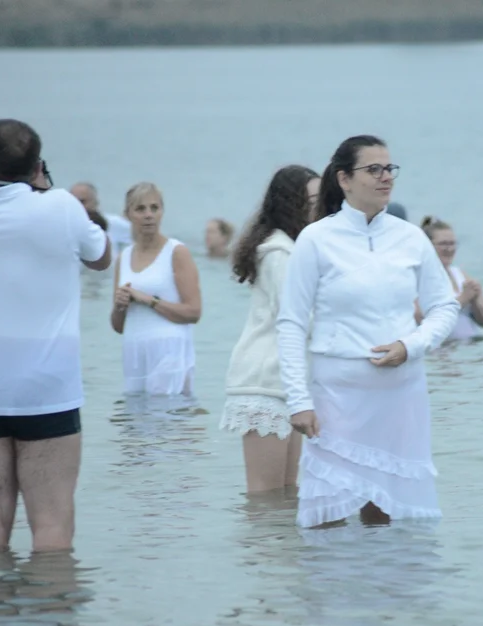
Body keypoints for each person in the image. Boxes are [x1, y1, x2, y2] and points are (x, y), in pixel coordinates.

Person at [0, 118, 111, 552]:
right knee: (51, 525)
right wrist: (46, 191)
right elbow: (102, 256)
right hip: (47, 389)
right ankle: (48, 615)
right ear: (36, 167)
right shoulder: (62, 205)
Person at [276, 134, 459, 528]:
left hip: (400, 396)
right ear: (344, 179)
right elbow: (290, 323)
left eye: (389, 168)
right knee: (329, 511)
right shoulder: (316, 239)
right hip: (336, 396)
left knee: (384, 515)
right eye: (373, 169)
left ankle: (384, 587)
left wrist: (410, 346)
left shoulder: (411, 238)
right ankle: (331, 588)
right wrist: (298, 400)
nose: (385, 177)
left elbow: (445, 306)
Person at [220, 165, 321, 493]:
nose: (320, 207)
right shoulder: (280, 252)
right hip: (264, 382)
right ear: (291, 202)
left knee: (288, 493)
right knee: (265, 497)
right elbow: (296, 317)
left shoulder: (295, 248)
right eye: (314, 199)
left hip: (286, 384)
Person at [110, 182, 202, 397]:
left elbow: (194, 312)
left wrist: (148, 300)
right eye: (140, 209)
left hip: (169, 354)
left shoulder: (176, 252)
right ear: (128, 215)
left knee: (167, 423)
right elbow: (118, 326)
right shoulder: (123, 257)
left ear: (162, 212)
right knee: (134, 426)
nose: (148, 215)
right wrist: (119, 306)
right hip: (135, 354)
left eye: (154, 208)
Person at [420, 215, 483, 341]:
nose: (449, 249)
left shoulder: (460, 274)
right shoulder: (420, 277)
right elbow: (422, 318)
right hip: (441, 351)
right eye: (443, 244)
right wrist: (463, 299)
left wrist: (476, 300)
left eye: (452, 243)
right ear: (427, 245)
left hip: (469, 348)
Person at [70, 182, 132, 253]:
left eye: (82, 202)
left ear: (96, 202)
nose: (78, 206)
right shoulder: (65, 229)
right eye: (74, 202)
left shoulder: (113, 223)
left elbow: (142, 238)